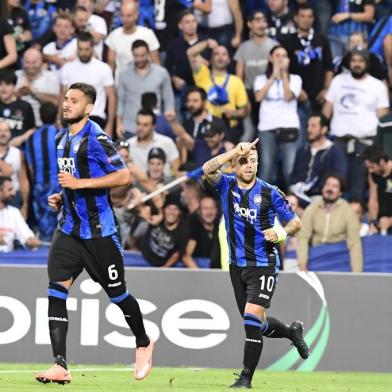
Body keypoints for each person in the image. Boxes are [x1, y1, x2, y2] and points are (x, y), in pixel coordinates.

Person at [34, 83, 153, 385]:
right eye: (65, 98)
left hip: (99, 232)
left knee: (118, 295)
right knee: (56, 291)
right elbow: (72, 181)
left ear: (88, 108)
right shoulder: (61, 138)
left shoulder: (97, 137)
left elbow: (124, 176)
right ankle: (60, 364)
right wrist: (62, 195)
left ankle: (142, 341)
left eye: (74, 101)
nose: (66, 104)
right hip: (69, 229)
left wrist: (79, 185)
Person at [202, 138, 308, 388]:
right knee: (257, 325)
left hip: (263, 264)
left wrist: (280, 233)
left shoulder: (270, 192)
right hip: (236, 266)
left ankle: (245, 378)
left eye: (253, 161)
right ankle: (292, 333)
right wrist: (233, 152)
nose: (249, 166)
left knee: (251, 318)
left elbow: (296, 223)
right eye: (244, 162)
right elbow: (207, 169)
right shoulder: (226, 185)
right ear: (235, 166)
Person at [322, 47, 389, 200]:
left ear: (367, 63)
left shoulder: (377, 86)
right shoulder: (338, 81)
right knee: (336, 182)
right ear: (349, 63)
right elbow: (327, 109)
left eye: (360, 61)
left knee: (358, 187)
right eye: (353, 61)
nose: (356, 64)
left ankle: (354, 220)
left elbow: (384, 120)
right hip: (338, 141)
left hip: (364, 143)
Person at [254, 45, 302, 188]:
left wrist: (284, 75)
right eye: (277, 56)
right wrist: (272, 78)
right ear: (270, 58)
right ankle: (261, 205)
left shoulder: (295, 79)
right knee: (267, 168)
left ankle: (292, 204)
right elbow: (258, 97)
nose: (280, 59)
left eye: (284, 56)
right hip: (267, 128)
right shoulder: (261, 79)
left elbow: (288, 97)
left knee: (290, 170)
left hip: (289, 128)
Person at [298, 174, 363, 272]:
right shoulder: (312, 208)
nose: (330, 189)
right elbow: (303, 238)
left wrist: (357, 274)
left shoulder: (348, 211)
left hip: (338, 258)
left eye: (335, 186)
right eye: (327, 185)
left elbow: (354, 243)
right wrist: (302, 266)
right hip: (316, 256)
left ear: (340, 192)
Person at [187, 39, 249, 143]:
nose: (220, 57)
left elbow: (245, 110)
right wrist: (206, 43)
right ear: (211, 59)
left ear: (229, 59)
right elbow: (190, 53)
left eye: (224, 54)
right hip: (206, 126)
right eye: (216, 54)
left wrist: (235, 113)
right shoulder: (202, 74)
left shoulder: (236, 81)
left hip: (228, 129)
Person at [59, 32, 115, 135]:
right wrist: (58, 118)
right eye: (80, 49)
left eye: (86, 49)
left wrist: (110, 124)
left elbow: (111, 96)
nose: (83, 53)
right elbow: (63, 95)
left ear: (92, 48)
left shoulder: (103, 68)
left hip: (95, 117)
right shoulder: (67, 68)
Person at [116, 39, 174, 138]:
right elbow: (120, 102)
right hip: (130, 126)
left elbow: (168, 97)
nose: (139, 59)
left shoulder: (161, 73)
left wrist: (170, 112)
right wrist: (119, 124)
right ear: (132, 54)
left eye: (142, 55)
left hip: (154, 126)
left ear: (148, 53)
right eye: (136, 56)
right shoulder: (124, 75)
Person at [289, 113, 346, 204]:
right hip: (298, 195)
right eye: (308, 126)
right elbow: (294, 176)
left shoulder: (334, 152)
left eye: (313, 126)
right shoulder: (302, 150)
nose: (309, 129)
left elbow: (338, 178)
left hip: (320, 196)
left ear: (324, 129)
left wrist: (313, 188)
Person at [24, 102, 60, 241]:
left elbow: (31, 168)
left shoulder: (31, 138)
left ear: (40, 116)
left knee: (44, 227)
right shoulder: (61, 135)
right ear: (56, 115)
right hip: (58, 186)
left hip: (39, 186)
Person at [105, 1, 160, 76]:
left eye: (129, 16)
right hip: (122, 83)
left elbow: (156, 63)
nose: (125, 19)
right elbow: (111, 66)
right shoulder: (114, 36)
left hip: (146, 81)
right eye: (123, 15)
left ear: (136, 15)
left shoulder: (148, 34)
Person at [127, 109, 180, 177]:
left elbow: (177, 171)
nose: (140, 128)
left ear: (153, 126)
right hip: (136, 186)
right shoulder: (129, 144)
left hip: (163, 185)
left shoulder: (167, 142)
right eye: (138, 124)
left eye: (145, 125)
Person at [140, 195, 188, 268]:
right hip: (141, 256)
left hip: (160, 264)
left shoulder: (183, 231)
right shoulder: (158, 217)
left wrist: (164, 268)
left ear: (179, 212)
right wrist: (150, 218)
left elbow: (176, 255)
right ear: (164, 210)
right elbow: (140, 209)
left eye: (175, 209)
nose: (171, 212)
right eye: (169, 208)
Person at [15, 48, 60, 126]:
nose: (30, 66)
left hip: (41, 125)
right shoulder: (16, 75)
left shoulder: (51, 77)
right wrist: (20, 93)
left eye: (34, 62)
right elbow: (4, 101)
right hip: (18, 125)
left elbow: (55, 102)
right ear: (22, 62)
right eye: (27, 62)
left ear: (41, 61)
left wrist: (33, 92)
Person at [0, 175, 40, 252]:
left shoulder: (14, 212)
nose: (14, 193)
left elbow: (25, 234)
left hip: (7, 262)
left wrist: (31, 240)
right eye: (10, 190)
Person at [0, 119, 29, 217]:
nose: (3, 134)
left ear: (10, 133)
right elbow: (7, 171)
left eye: (6, 130)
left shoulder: (17, 153)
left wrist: (25, 205)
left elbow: (23, 180)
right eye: (0, 131)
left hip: (13, 198)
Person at [183, 194, 221, 268]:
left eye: (212, 208)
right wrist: (201, 274)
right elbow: (186, 257)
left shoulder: (222, 226)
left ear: (217, 210)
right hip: (199, 268)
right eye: (205, 208)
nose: (209, 212)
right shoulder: (194, 228)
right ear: (199, 211)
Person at [0, 69, 35, 146]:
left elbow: (32, 129)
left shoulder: (25, 106)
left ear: (14, 86)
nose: (3, 88)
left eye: (7, 84)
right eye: (0, 84)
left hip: (19, 151)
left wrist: (21, 139)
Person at [362, 146, 392, 235]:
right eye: (368, 167)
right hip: (381, 221)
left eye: (372, 167)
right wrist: (373, 222)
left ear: (381, 161)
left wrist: (390, 221)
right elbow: (373, 200)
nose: (370, 170)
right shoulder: (372, 174)